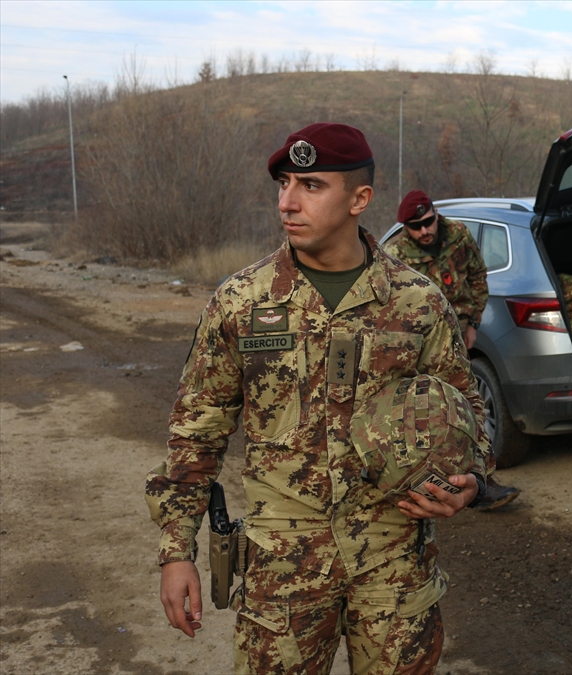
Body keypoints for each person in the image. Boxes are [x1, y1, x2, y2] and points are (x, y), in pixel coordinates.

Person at [146, 122, 490, 675]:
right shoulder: (241, 301)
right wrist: (176, 551)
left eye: (310, 185)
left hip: (394, 561)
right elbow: (196, 431)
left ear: (359, 199)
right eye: (283, 184)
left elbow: (469, 411)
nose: (287, 201)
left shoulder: (418, 302)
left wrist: (470, 482)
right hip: (282, 567)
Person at [384, 189, 520, 511]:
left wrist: (473, 322)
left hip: (457, 338)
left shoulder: (458, 234)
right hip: (419, 344)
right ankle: (416, 480)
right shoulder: (394, 253)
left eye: (428, 222)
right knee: (420, 413)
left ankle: (481, 482)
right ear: (405, 228)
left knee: (468, 406)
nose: (425, 231)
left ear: (435, 214)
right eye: (416, 227)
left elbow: (478, 276)